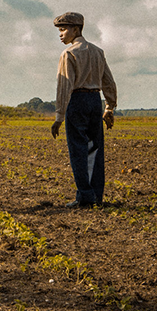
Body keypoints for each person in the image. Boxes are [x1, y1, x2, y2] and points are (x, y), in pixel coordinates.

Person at [50, 12, 117, 208]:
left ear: (76, 29)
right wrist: (109, 106)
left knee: (78, 150)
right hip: (95, 100)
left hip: (77, 101)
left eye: (63, 29)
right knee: (95, 149)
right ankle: (97, 196)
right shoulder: (98, 52)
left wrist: (59, 116)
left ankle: (85, 197)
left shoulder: (69, 54)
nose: (61, 34)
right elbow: (109, 82)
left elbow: (64, 86)